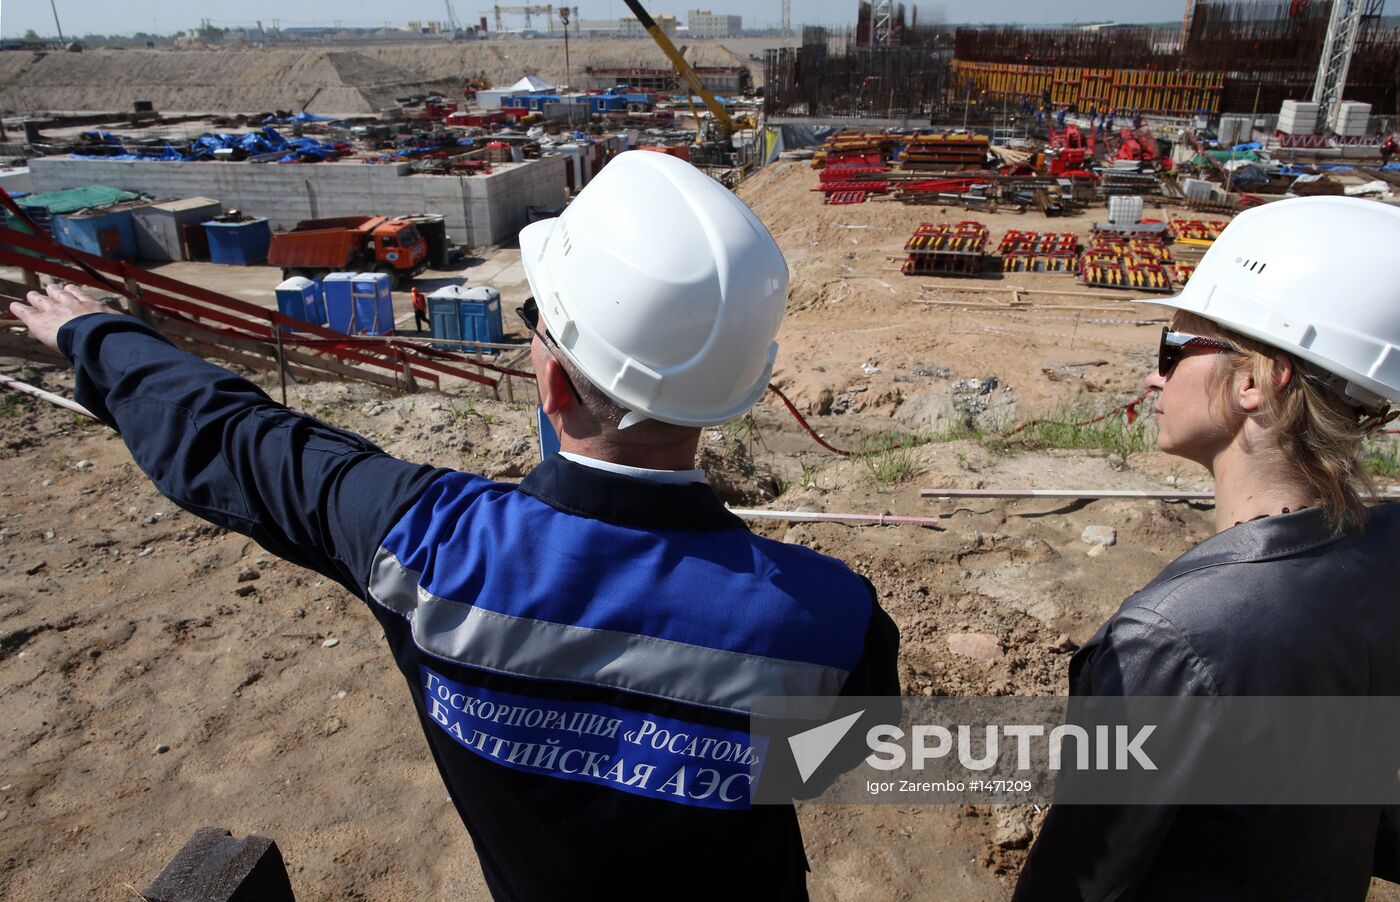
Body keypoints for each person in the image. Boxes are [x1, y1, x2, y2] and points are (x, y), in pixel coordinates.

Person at [11, 150, 901, 901]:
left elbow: (238, 439)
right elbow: (844, 763)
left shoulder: (427, 544)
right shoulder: (829, 620)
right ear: (734, 392)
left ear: (551, 383)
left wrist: (96, 335)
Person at [1013, 195, 1400, 899]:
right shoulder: (1385, 552)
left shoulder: (1172, 639)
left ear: (1256, 380)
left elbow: (1079, 885)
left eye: (1174, 350)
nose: (1155, 377)